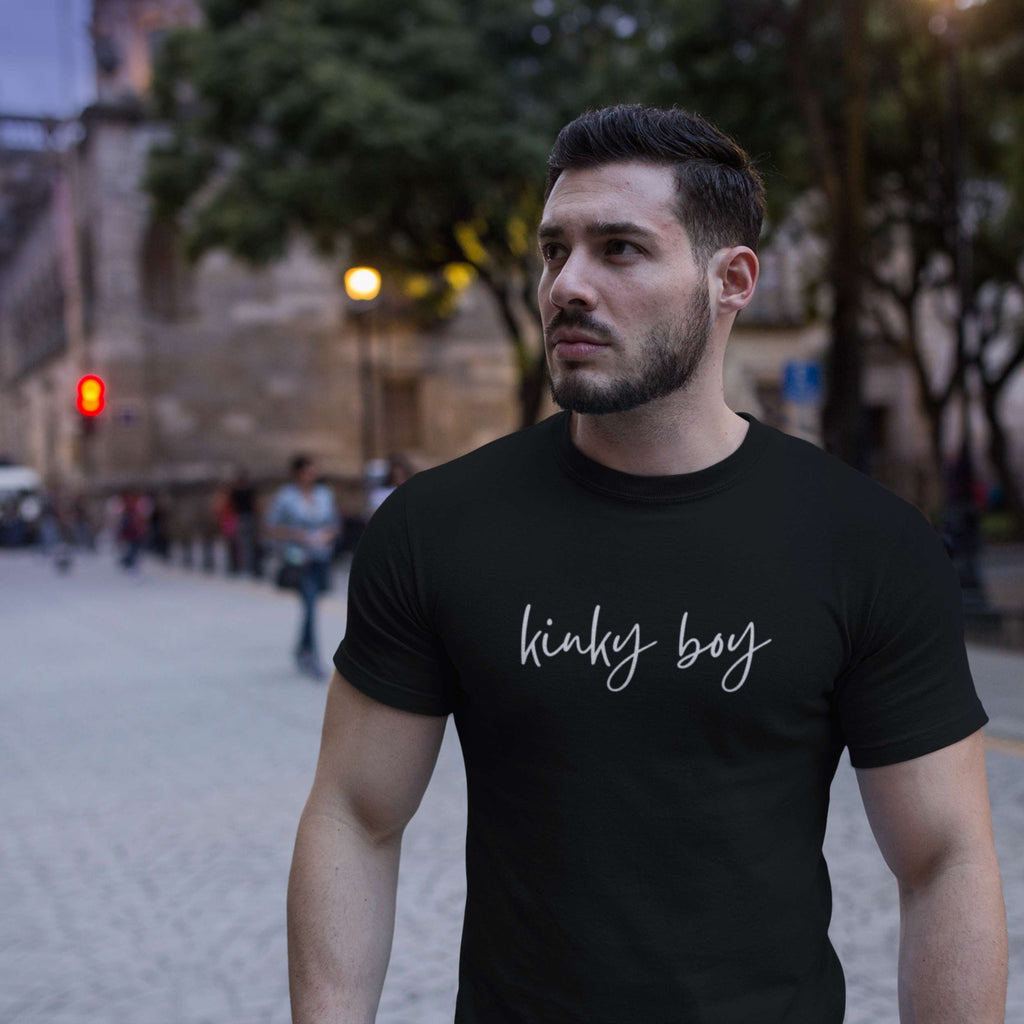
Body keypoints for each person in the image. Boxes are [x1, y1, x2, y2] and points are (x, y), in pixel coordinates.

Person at [287, 106, 1007, 1023]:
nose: (566, 286)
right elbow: (356, 814)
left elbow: (942, 858)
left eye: (620, 249)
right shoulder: (436, 527)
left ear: (731, 281)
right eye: (555, 250)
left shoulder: (865, 542)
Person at [266, 455, 339, 680]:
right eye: (308, 471)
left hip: (321, 556)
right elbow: (272, 526)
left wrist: (327, 534)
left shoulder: (324, 494)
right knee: (309, 605)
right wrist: (298, 535)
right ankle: (311, 655)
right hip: (299, 558)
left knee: (313, 604)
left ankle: (301, 649)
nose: (313, 475)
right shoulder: (286, 497)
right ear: (298, 473)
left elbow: (335, 523)